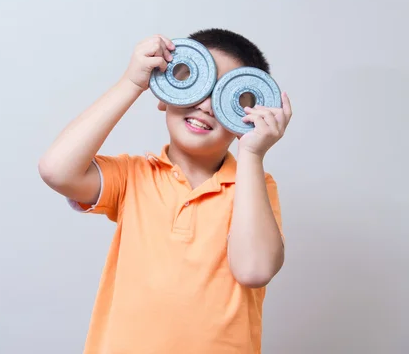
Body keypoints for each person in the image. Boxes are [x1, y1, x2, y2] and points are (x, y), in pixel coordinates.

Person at [38, 28, 293, 353]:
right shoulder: (134, 176)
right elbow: (56, 169)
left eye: (226, 96)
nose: (206, 106)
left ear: (245, 118)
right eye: (196, 83)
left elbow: (254, 269)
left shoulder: (254, 187)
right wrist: (131, 84)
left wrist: (253, 154)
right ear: (164, 91)